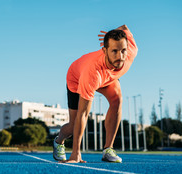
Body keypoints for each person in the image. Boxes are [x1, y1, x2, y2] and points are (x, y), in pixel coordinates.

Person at [53, 25, 138, 163]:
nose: (120, 56)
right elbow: (83, 114)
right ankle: (59, 141)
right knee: (74, 125)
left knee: (117, 100)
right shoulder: (92, 72)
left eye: (123, 50)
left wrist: (112, 33)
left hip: (107, 77)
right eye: (114, 51)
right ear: (105, 50)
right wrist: (76, 154)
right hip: (77, 77)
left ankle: (108, 149)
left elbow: (125, 27)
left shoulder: (132, 51)